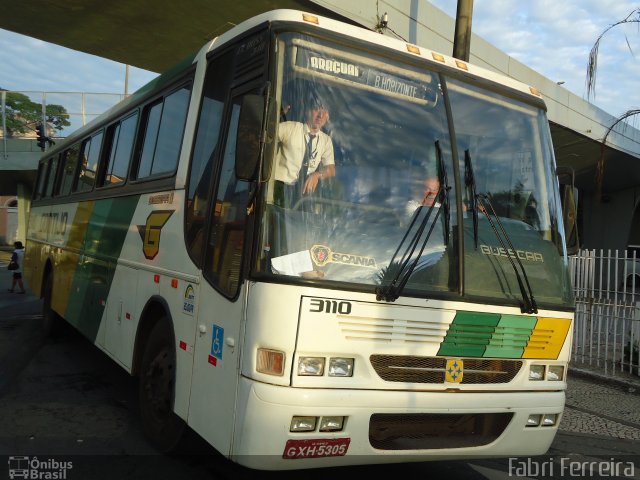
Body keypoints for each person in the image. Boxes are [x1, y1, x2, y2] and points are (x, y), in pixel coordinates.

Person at [273, 96, 336, 208]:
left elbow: (331, 170)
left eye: (324, 111)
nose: (320, 115)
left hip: (303, 195)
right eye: (317, 109)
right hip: (278, 189)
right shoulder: (289, 128)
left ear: (328, 116)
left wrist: (317, 175)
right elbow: (263, 136)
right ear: (307, 111)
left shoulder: (326, 141)